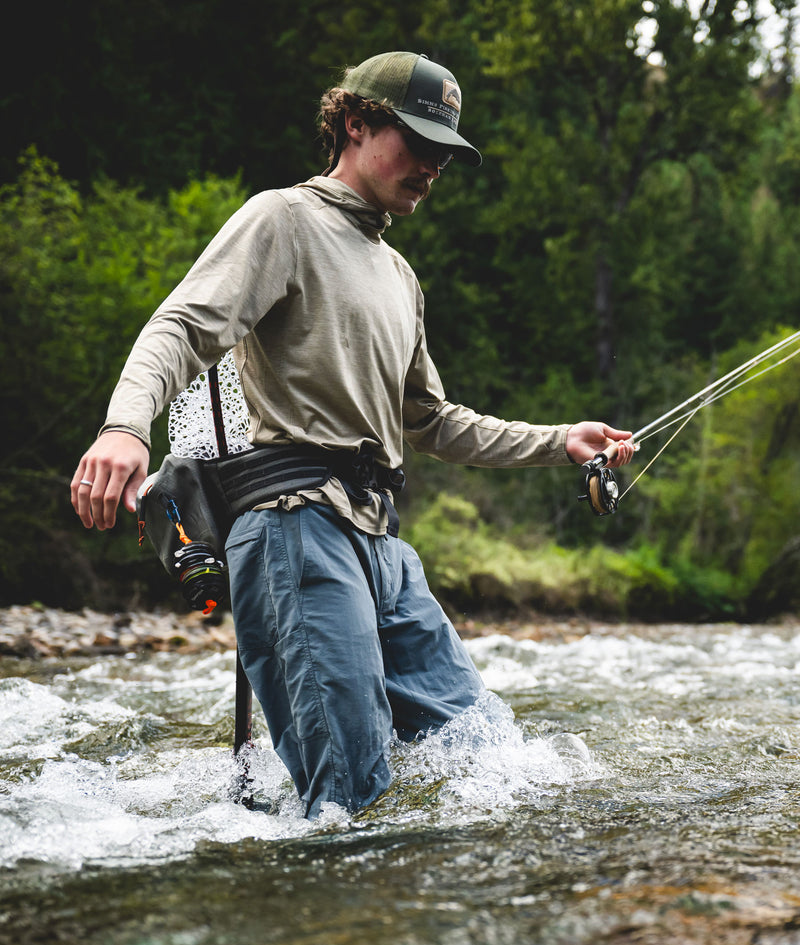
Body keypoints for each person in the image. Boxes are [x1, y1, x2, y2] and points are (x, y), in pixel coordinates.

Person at [71, 51, 634, 817]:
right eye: (418, 142)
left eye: (445, 152)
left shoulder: (400, 276)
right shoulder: (283, 219)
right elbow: (183, 327)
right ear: (355, 123)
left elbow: (432, 422)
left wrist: (557, 438)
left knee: (490, 754)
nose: (433, 166)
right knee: (349, 799)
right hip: (294, 533)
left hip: (383, 548)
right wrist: (125, 427)